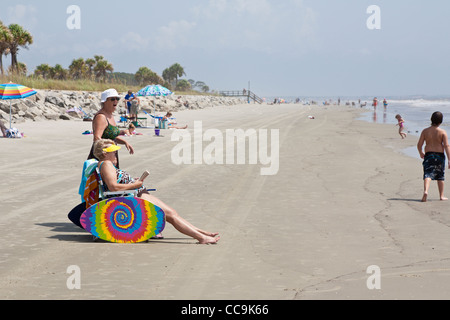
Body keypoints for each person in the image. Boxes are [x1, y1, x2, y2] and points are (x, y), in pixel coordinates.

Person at [93, 139, 220, 244]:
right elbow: (113, 187)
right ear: (104, 153)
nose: (116, 153)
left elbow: (116, 183)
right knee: (169, 215)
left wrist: (133, 182)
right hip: (133, 196)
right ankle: (201, 237)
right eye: (113, 152)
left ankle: (200, 233)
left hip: (135, 193)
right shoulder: (106, 164)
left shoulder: (106, 164)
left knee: (172, 213)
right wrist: (135, 184)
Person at [87, 89, 134, 168]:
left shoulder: (110, 115)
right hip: (103, 157)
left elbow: (112, 137)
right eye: (112, 99)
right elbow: (97, 138)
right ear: (105, 101)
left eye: (117, 99)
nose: (115, 101)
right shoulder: (101, 117)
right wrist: (107, 155)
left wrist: (125, 142)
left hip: (111, 155)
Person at [417, 111, 450, 202]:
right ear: (441, 121)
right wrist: (449, 159)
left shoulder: (425, 131)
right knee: (440, 176)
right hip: (439, 156)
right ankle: (441, 195)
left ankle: (426, 191)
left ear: (431, 119)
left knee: (427, 174)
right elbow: (447, 146)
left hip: (428, 155)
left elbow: (419, 144)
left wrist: (420, 152)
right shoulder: (442, 132)